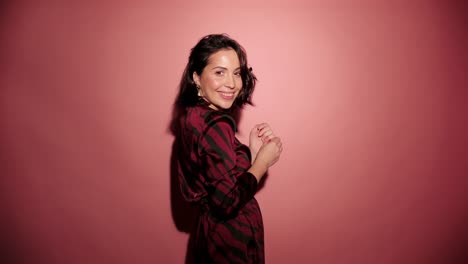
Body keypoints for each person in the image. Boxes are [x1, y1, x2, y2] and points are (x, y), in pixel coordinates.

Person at [173, 33, 282, 264]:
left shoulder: (193, 116)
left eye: (236, 73)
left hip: (211, 236)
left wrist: (250, 153)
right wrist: (263, 162)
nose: (232, 84)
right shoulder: (216, 124)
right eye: (219, 72)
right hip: (230, 242)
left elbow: (216, 178)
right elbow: (226, 202)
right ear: (196, 77)